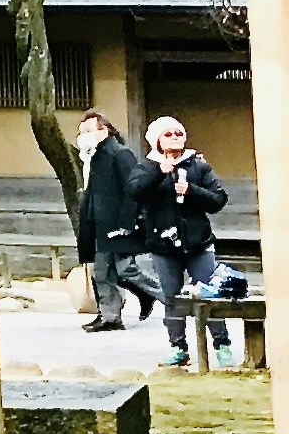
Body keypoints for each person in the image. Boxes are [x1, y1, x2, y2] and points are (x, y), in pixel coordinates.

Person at [117, 116, 237, 367]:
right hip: (163, 246)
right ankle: (178, 347)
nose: (174, 137)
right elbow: (134, 191)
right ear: (156, 139)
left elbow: (218, 199)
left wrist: (192, 190)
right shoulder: (146, 166)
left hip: (199, 243)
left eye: (178, 133)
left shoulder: (198, 165)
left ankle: (222, 345)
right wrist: (159, 174)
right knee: (172, 298)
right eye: (168, 134)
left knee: (210, 294)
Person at [70, 109, 154, 331]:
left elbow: (133, 189)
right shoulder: (92, 157)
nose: (82, 136)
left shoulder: (119, 154)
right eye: (81, 132)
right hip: (98, 222)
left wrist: (128, 220)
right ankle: (109, 316)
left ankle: (164, 298)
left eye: (88, 131)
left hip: (117, 222)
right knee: (102, 272)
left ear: (103, 130)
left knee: (125, 269)